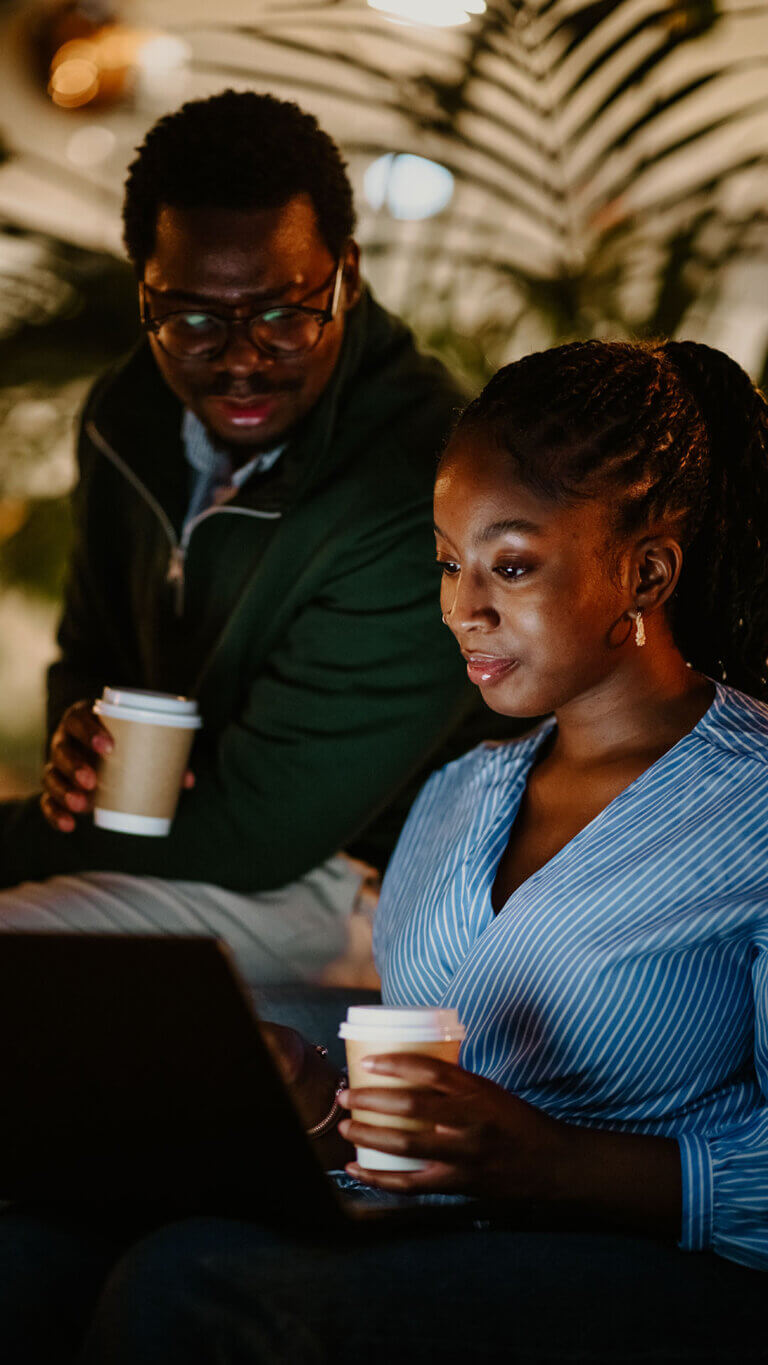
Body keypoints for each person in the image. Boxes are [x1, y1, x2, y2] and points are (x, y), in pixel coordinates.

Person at [3, 337, 767, 1363]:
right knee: (30, 1257)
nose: (461, 608)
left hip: (657, 1268)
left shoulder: (750, 802)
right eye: (448, 562)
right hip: (432, 1231)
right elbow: (417, 1107)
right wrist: (318, 1106)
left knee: (191, 1291)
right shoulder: (457, 799)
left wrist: (554, 1161)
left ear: (648, 568)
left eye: (511, 563)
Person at [0, 89, 482, 984]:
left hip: (355, 886)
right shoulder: (127, 415)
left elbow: (259, 835)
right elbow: (92, 656)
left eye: (286, 312)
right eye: (189, 319)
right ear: (142, 283)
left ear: (350, 272)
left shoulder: (426, 482)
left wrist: (19, 832)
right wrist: (81, 748)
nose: (241, 358)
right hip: (180, 849)